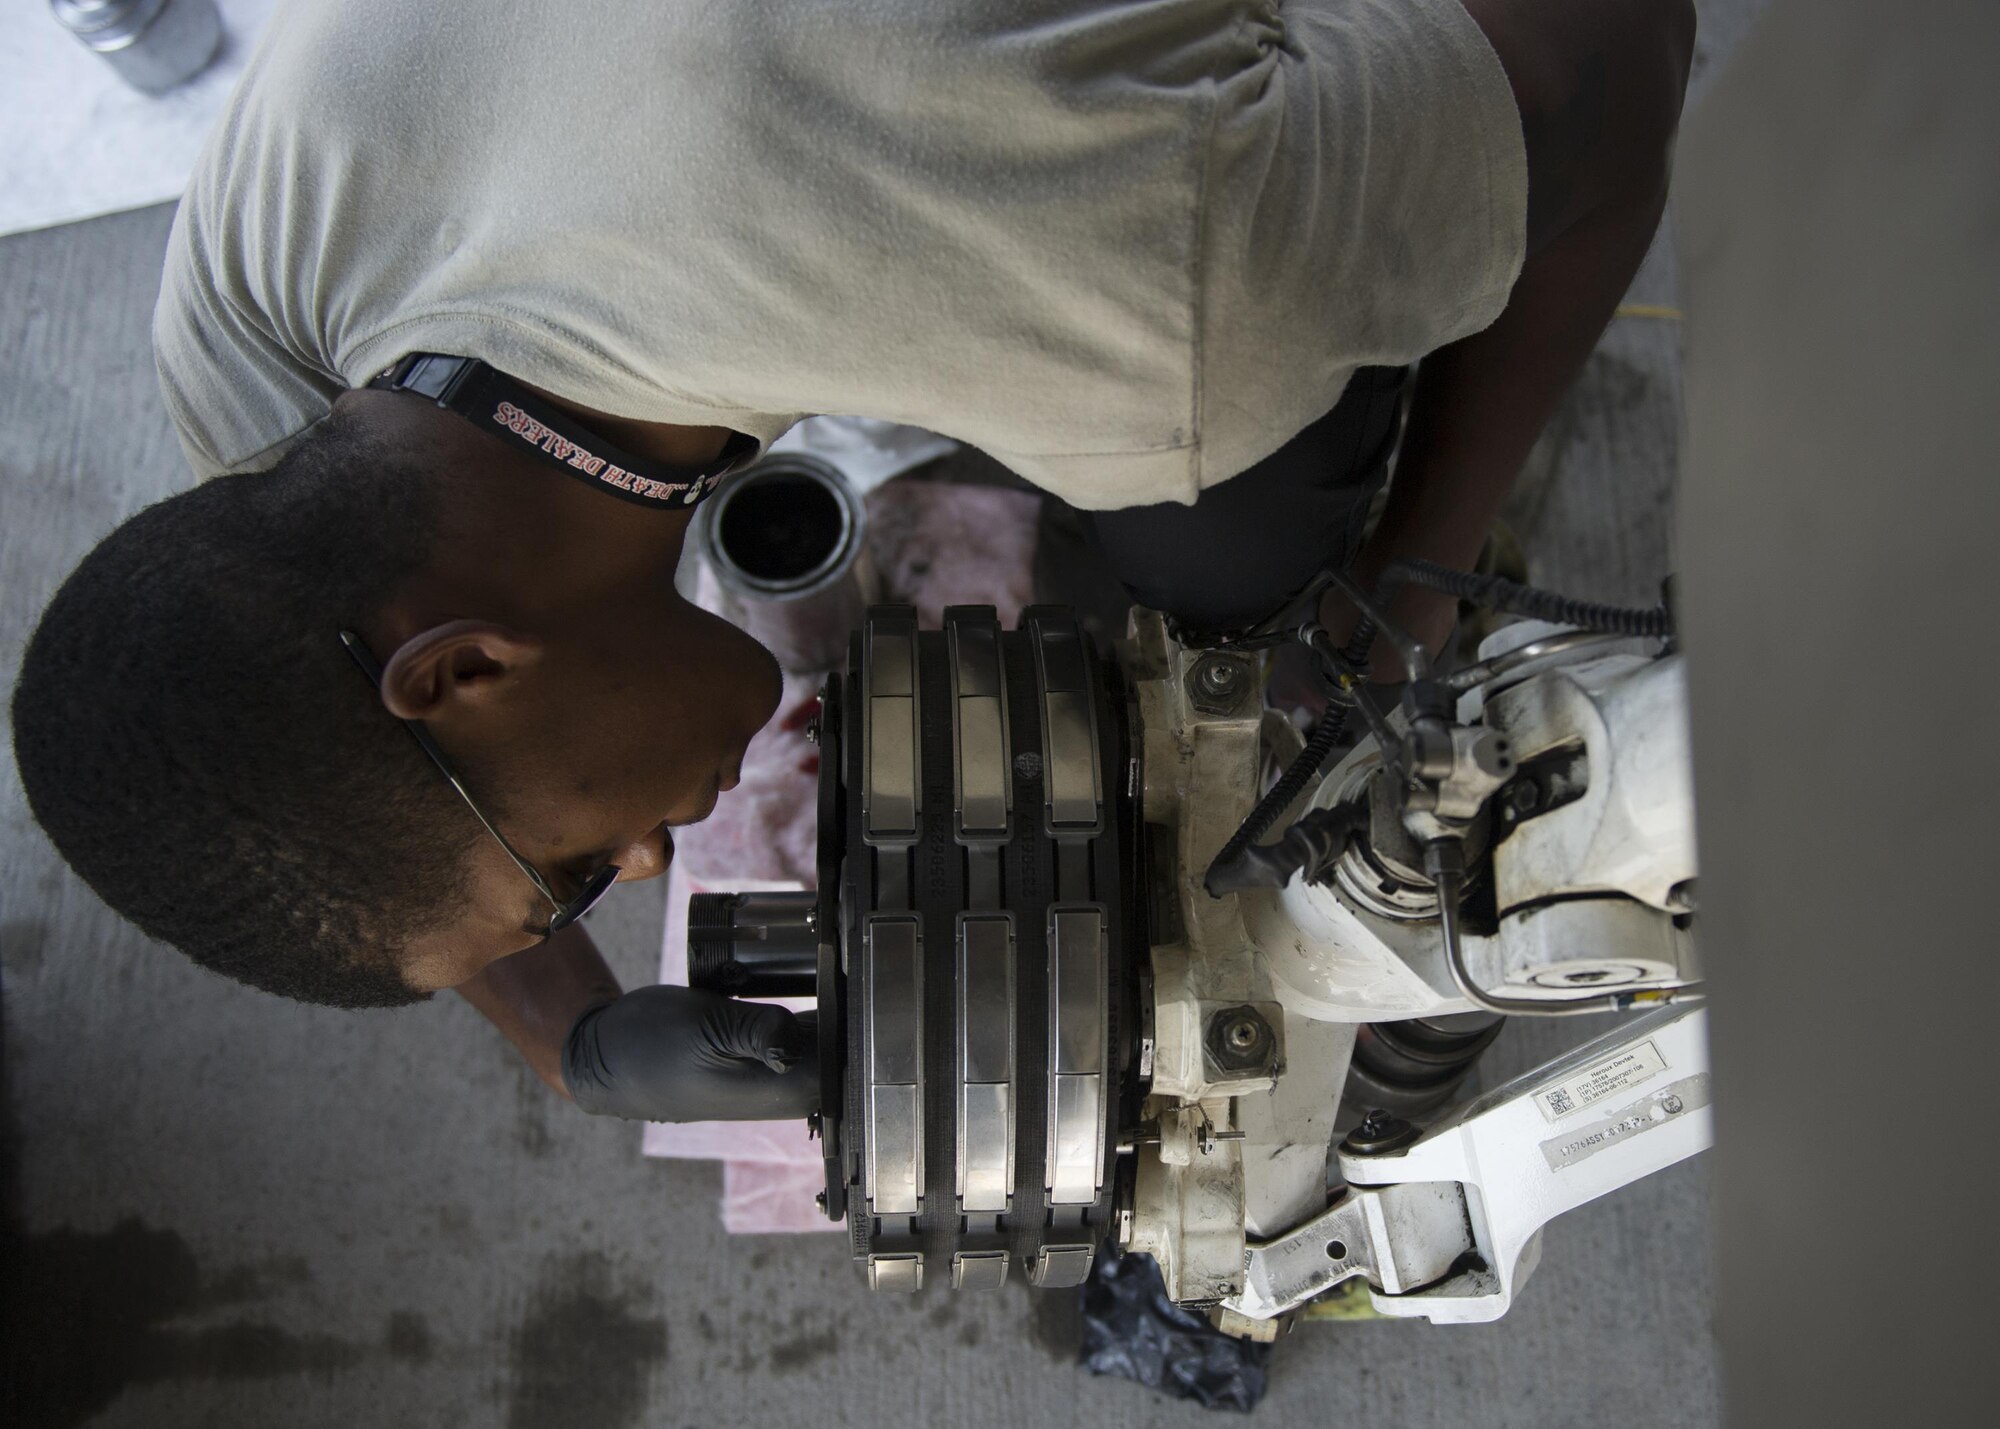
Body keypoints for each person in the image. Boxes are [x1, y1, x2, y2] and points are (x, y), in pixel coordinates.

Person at [9, 0, 1693, 1122]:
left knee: (1250, 524)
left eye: (584, 870)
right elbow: (359, 798)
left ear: (463, 668)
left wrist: (1415, 582)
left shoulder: (1160, 316)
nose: (658, 867)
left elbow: (1614, 65)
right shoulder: (250, 340)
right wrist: (582, 1046)